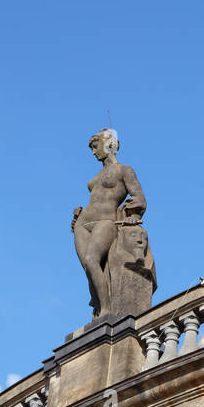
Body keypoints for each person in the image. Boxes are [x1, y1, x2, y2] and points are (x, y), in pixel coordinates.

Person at [72, 129, 148, 319]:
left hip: (106, 221)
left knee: (92, 260)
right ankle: (97, 309)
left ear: (109, 144)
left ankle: (107, 310)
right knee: (89, 268)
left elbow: (140, 199)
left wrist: (132, 214)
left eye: (95, 147)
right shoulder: (97, 176)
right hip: (82, 224)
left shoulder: (124, 170)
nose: (93, 152)